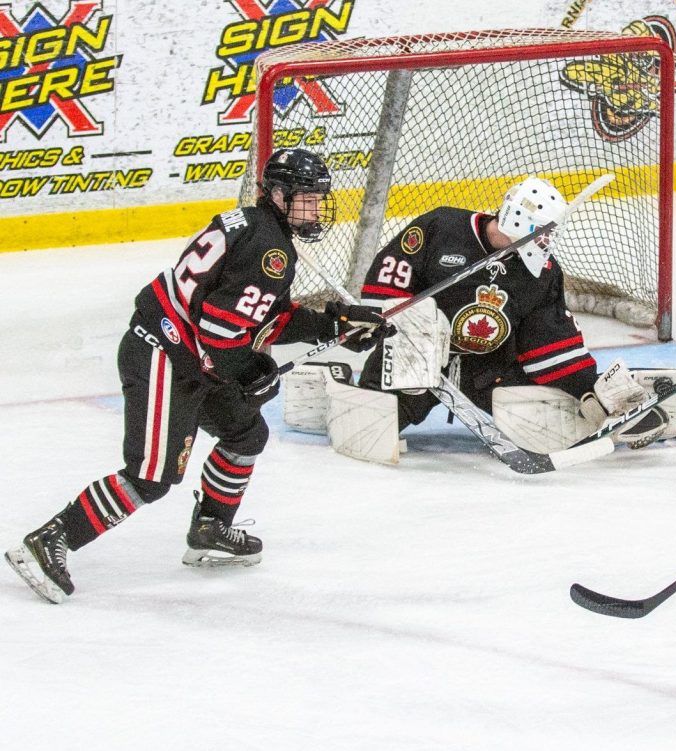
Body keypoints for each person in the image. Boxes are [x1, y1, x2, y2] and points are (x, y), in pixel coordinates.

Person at [4, 148, 391, 604]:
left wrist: (336, 324)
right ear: (280, 195)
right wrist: (249, 372)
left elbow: (264, 314)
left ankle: (211, 528)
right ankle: (52, 539)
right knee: (152, 477)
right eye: (307, 198)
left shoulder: (251, 224)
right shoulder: (271, 250)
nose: (316, 208)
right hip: (164, 355)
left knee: (244, 434)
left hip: (193, 354)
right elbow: (221, 330)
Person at [329, 176, 676, 457]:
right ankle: (341, 390)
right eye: (544, 233)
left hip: (488, 370)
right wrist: (403, 327)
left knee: (544, 414)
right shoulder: (440, 227)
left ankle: (618, 400)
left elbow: (549, 341)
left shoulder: (541, 272)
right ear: (520, 220)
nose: (548, 243)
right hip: (415, 361)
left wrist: (585, 390)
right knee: (375, 425)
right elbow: (385, 287)